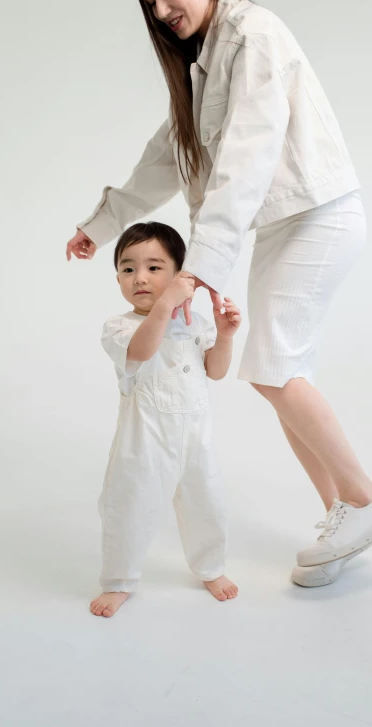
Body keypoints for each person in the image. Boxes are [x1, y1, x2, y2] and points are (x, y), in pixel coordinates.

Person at [69, 0, 372, 590]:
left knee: (270, 365)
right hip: (286, 224)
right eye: (150, 2)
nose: (162, 9)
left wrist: (202, 267)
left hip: (320, 214)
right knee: (279, 368)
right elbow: (163, 159)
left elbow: (248, 153)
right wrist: (100, 224)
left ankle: (366, 499)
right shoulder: (199, 67)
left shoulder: (253, 33)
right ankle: (341, 520)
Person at [90, 221, 241, 617]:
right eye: (128, 268)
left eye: (155, 268)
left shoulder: (195, 324)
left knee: (207, 502)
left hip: (195, 438)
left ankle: (210, 567)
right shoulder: (120, 327)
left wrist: (224, 336)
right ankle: (119, 578)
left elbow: (216, 371)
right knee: (129, 505)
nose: (140, 277)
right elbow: (141, 350)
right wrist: (164, 304)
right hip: (144, 442)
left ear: (179, 274)